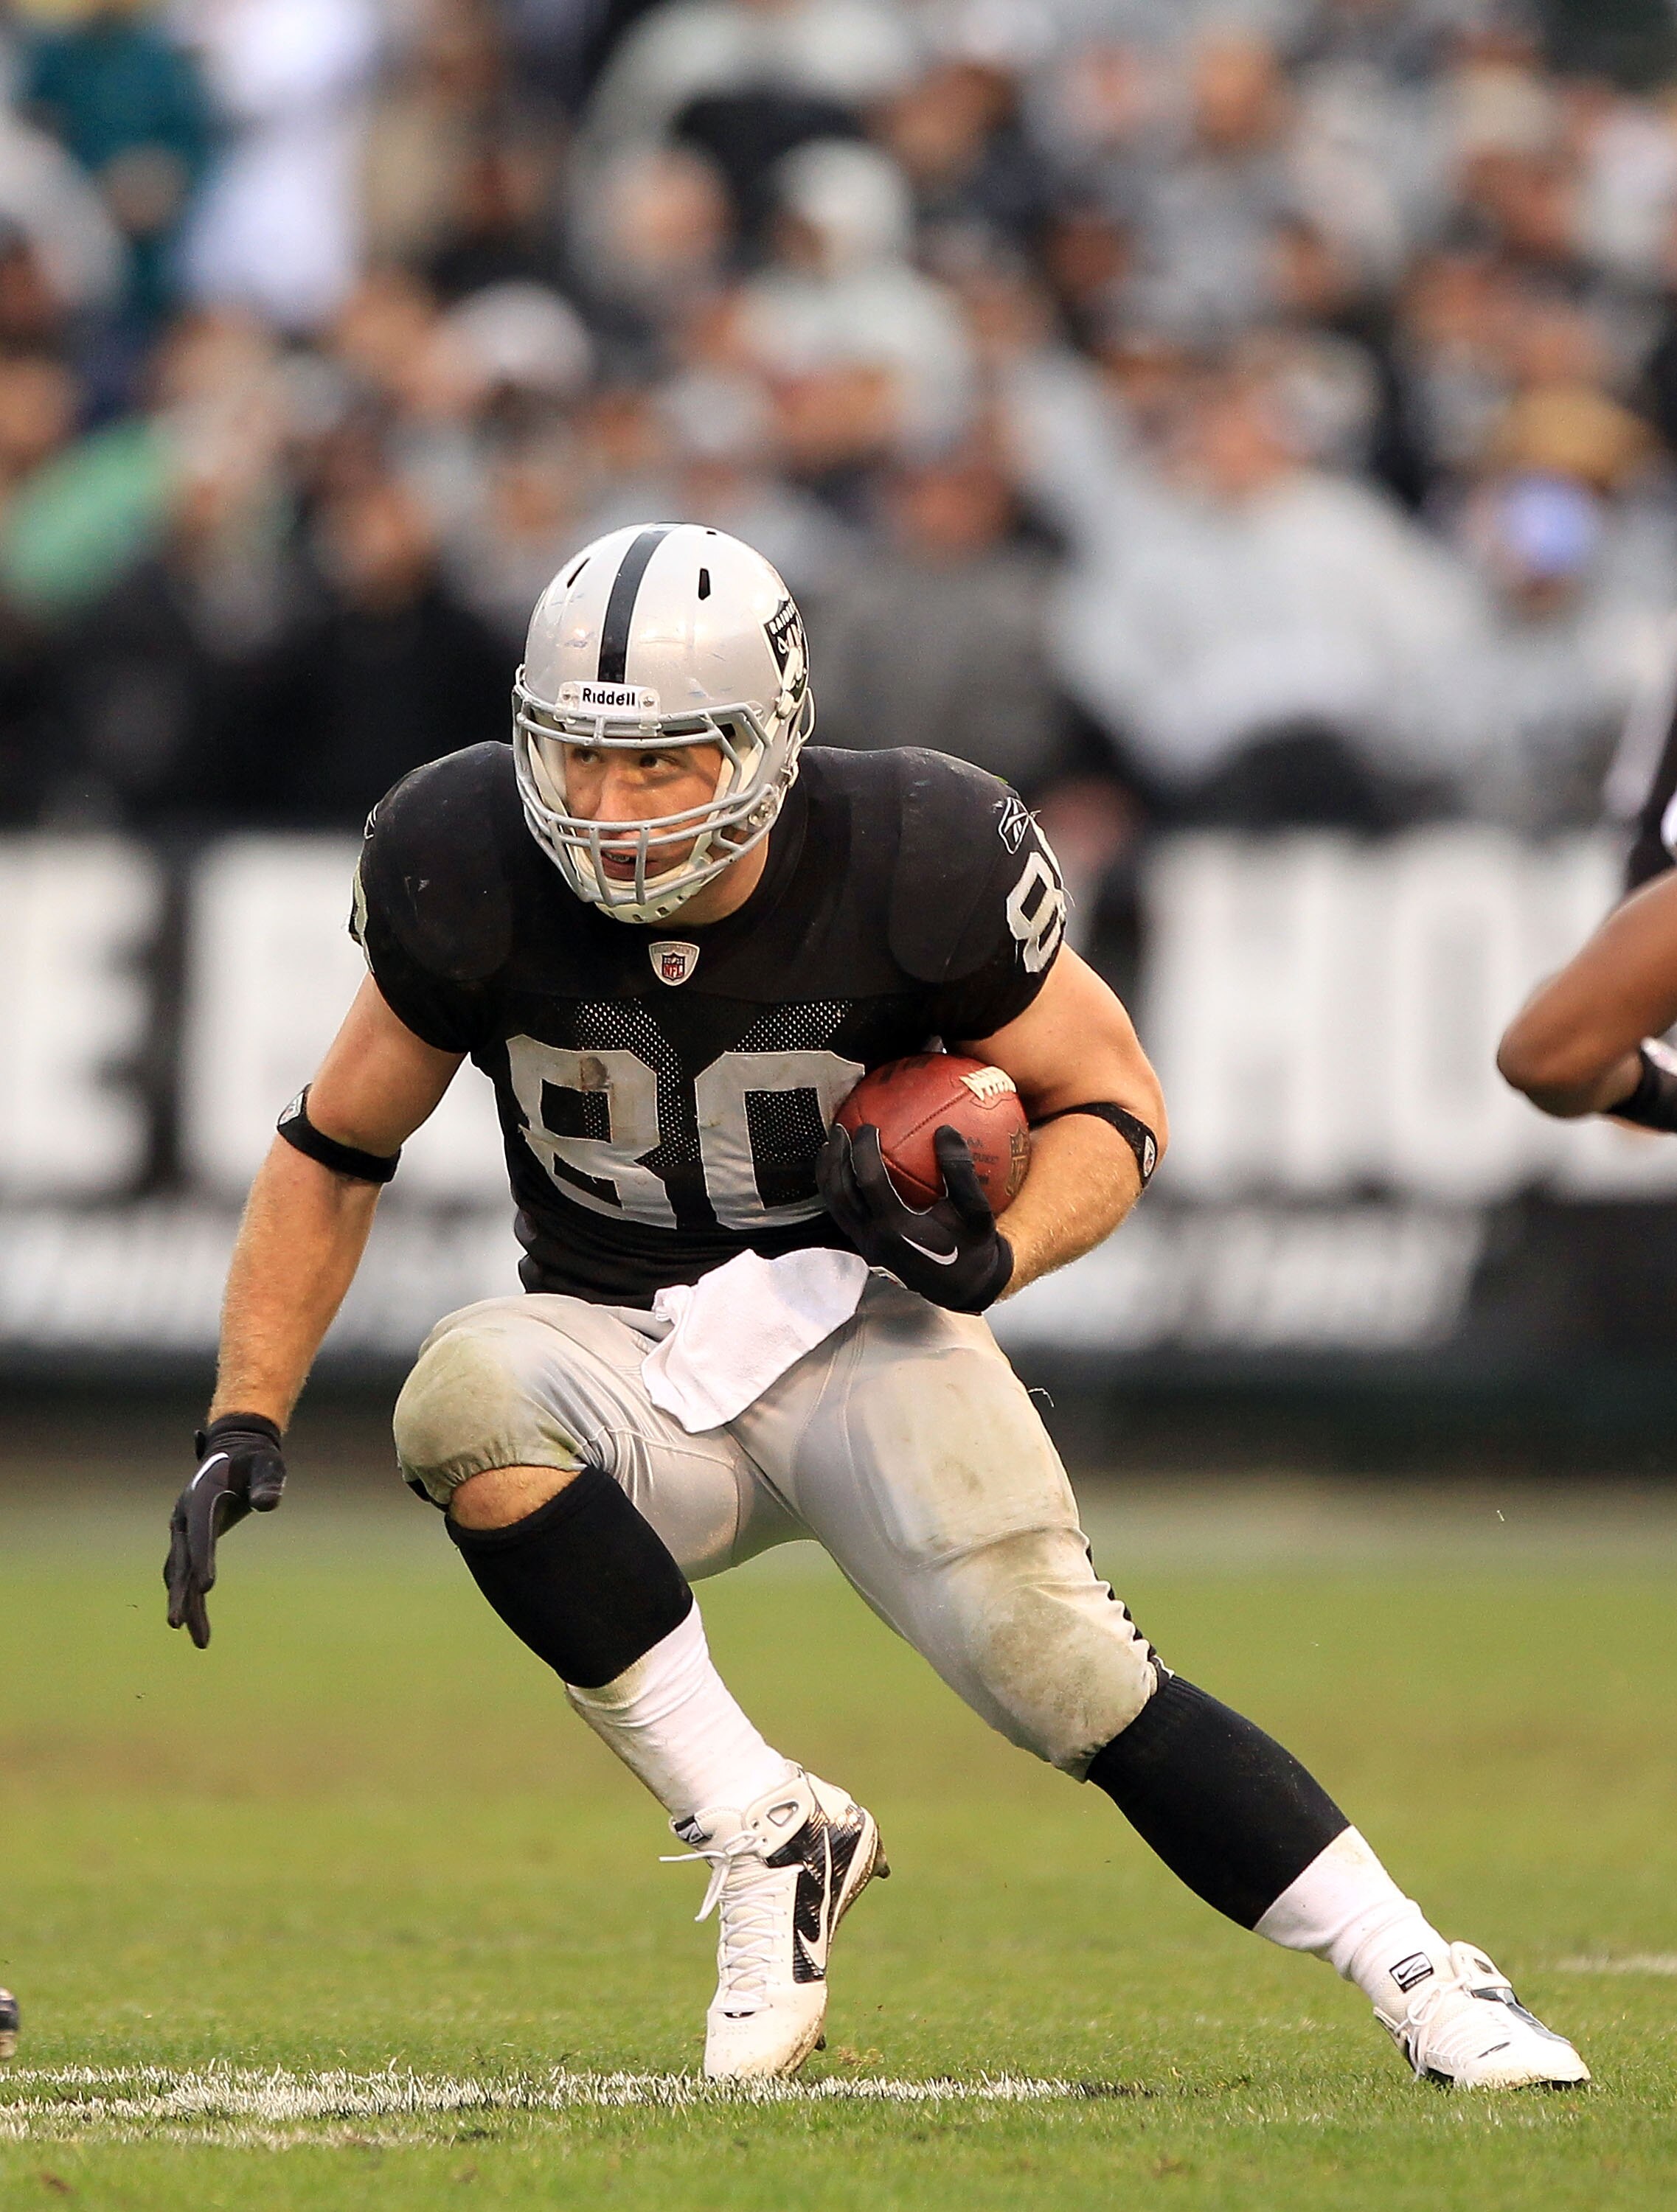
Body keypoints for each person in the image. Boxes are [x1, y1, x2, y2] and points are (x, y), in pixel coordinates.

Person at [165, 521, 1589, 2091]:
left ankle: (1422, 1974)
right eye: (578, 761)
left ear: (771, 741)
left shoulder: (920, 848)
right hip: (622, 1356)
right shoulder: (459, 854)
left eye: (665, 766)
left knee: (1071, 1683)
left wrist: (999, 1256)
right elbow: (334, 1147)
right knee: (462, 1400)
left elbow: (1111, 1103)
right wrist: (248, 1409)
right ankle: (764, 1826)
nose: (611, 811)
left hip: (869, 1336)